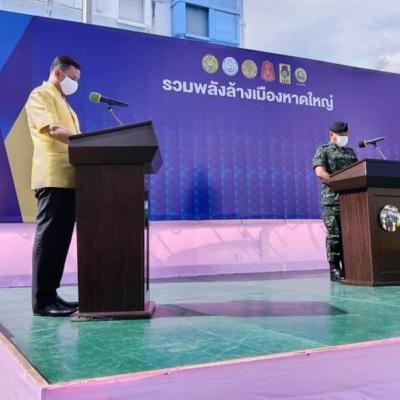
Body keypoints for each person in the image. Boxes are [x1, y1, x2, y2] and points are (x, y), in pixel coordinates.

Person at [26, 56, 81, 316]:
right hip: (52, 177)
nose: (75, 83)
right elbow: (54, 130)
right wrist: (89, 140)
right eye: (73, 78)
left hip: (70, 178)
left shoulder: (64, 102)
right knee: (49, 238)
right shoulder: (41, 95)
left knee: (60, 240)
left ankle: (52, 294)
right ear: (58, 73)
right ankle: (42, 301)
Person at [312, 121, 358, 281]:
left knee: (350, 236)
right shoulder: (323, 150)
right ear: (331, 135)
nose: (344, 137)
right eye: (341, 135)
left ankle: (350, 266)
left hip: (351, 201)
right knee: (335, 236)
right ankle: (334, 268)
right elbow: (320, 172)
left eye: (345, 134)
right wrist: (339, 183)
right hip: (332, 201)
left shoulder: (350, 152)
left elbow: (357, 171)